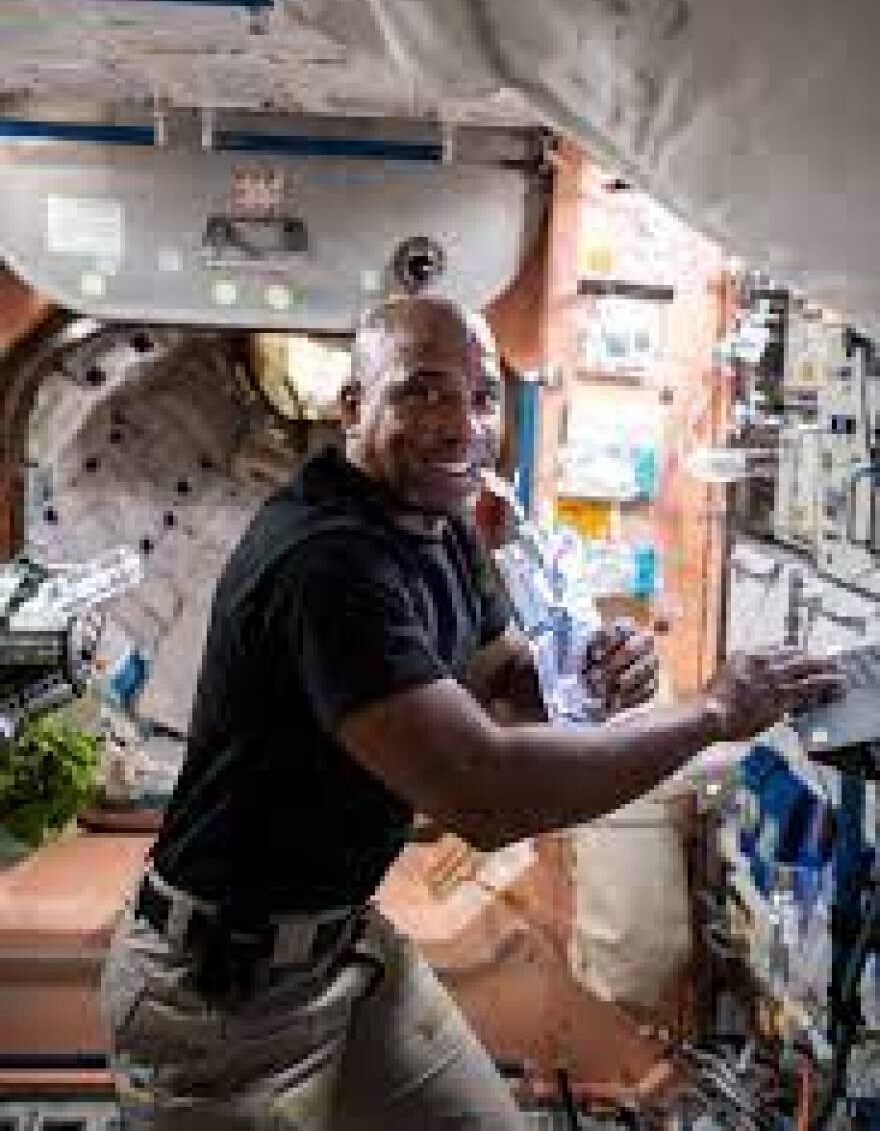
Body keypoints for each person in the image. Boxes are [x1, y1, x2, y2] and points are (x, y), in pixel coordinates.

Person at [101, 293, 840, 1129]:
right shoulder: (328, 563)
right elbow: (485, 797)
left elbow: (498, 682)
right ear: (354, 406)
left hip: (341, 949)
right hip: (217, 998)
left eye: (481, 396)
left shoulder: (437, 524)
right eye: (420, 391)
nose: (459, 424)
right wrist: (708, 713)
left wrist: (592, 672)